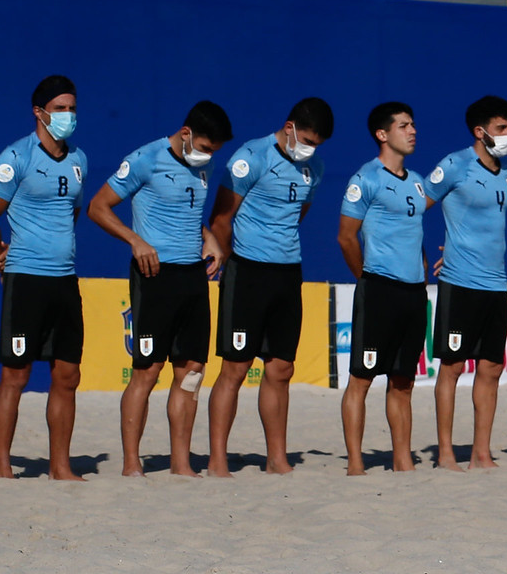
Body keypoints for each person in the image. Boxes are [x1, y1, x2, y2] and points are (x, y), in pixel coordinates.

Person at [90, 101, 231, 475]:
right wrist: (135, 241)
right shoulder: (145, 159)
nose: (208, 156)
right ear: (185, 134)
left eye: (213, 151)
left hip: (193, 277)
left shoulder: (204, 164)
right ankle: (132, 462)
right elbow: (98, 207)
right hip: (154, 275)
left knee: (192, 371)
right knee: (147, 371)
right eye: (204, 147)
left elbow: (187, 212)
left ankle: (181, 463)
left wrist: (210, 239)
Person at [204, 97, 332, 477]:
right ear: (289, 127)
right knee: (236, 368)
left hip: (287, 272)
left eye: (318, 143)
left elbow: (297, 215)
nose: (311, 148)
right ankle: (217, 461)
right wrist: (228, 263)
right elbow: (221, 218)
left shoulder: (315, 167)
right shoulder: (251, 157)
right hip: (247, 271)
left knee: (281, 368)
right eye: (307, 139)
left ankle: (277, 458)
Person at [0, 75, 86, 481]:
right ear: (39, 113)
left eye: (72, 108)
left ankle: (60, 467)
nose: (68, 116)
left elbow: (70, 213)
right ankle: (2, 468)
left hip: (65, 281)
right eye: (59, 109)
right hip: (26, 280)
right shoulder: (15, 158)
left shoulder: (79, 160)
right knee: (15, 376)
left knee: (67, 375)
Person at [337, 103, 432, 474]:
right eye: (404, 126)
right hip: (378, 290)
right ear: (382, 134)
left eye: (413, 124)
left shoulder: (418, 181)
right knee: (361, 378)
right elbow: (346, 237)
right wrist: (367, 278)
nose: (413, 131)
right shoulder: (366, 178)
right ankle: (356, 462)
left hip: (413, 293)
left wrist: (422, 266)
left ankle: (402, 459)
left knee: (404, 382)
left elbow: (414, 234)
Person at [425, 95, 507, 470]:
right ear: (480, 132)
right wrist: (429, 252)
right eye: (501, 128)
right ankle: (446, 452)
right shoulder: (454, 164)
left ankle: (481, 452)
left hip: (496, 284)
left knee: (492, 367)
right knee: (452, 366)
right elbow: (415, 209)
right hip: (460, 283)